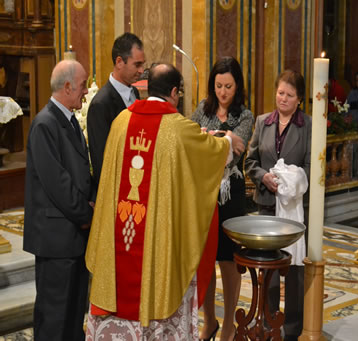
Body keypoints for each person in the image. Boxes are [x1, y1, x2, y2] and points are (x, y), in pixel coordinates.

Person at [85, 63, 246, 340]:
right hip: (154, 241)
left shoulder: (121, 122)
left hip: (122, 227)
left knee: (119, 276)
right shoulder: (178, 128)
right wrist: (228, 142)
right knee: (156, 278)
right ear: (174, 92)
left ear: (148, 89)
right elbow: (210, 153)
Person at [23, 60, 95, 341]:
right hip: (56, 240)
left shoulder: (68, 120)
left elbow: (80, 172)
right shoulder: (45, 124)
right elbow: (58, 184)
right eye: (82, 85)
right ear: (67, 87)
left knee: (74, 314)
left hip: (72, 238)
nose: (86, 92)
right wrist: (86, 213)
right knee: (54, 318)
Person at [245, 69, 311, 341]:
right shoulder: (263, 122)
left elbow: (310, 165)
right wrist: (265, 177)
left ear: (300, 99)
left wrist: (292, 183)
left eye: (290, 95)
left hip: (294, 207)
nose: (283, 99)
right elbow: (250, 162)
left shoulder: (307, 125)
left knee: (294, 270)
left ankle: (294, 327)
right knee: (268, 267)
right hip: (267, 204)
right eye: (280, 93)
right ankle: (269, 321)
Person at [192, 56, 254, 341]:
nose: (223, 92)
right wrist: (223, 137)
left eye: (228, 86)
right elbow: (194, 144)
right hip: (204, 192)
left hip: (232, 194)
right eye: (218, 85)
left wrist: (213, 138)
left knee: (228, 260)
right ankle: (209, 320)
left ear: (237, 85)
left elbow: (235, 151)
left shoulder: (245, 115)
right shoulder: (201, 110)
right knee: (204, 258)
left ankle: (228, 323)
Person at [87, 32, 146, 188]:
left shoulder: (135, 92)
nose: (142, 70)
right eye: (137, 64)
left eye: (143, 64)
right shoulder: (101, 104)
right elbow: (101, 160)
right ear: (119, 62)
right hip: (117, 188)